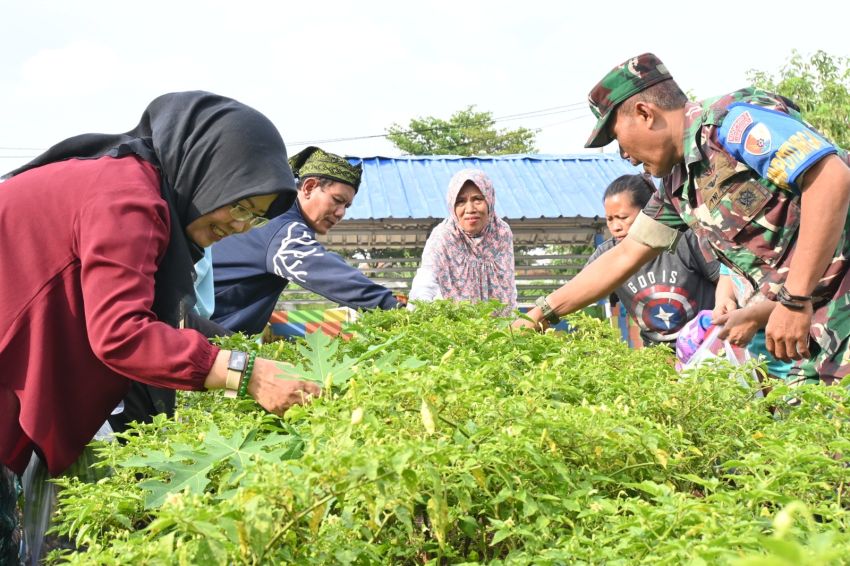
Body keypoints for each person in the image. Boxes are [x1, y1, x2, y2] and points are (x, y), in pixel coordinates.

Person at [0, 91, 322, 483]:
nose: (239, 226)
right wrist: (248, 372)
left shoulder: (135, 184)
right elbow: (122, 334)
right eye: (239, 205)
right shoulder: (127, 199)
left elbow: (163, 315)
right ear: (209, 173)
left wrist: (249, 351)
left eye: (255, 218)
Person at [515, 53, 850, 385]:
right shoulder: (678, 187)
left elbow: (830, 179)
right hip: (816, 331)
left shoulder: (731, 125)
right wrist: (540, 314)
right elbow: (626, 254)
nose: (625, 157)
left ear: (645, 113)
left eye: (619, 140)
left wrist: (794, 299)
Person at [210, 146, 400, 335]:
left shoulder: (275, 216)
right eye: (337, 199)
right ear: (309, 187)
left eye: (346, 206)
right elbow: (326, 271)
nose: (341, 212)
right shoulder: (282, 226)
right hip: (204, 337)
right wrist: (394, 307)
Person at [587, 174, 718, 347]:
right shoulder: (607, 255)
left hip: (708, 347)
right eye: (610, 219)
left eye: (623, 217)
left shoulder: (685, 240)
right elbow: (581, 288)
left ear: (649, 212)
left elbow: (728, 280)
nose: (616, 227)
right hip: (659, 356)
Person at [409, 169, 517, 313]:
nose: (470, 209)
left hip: (498, 327)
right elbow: (425, 281)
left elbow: (508, 284)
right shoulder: (443, 236)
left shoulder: (501, 233)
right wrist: (419, 315)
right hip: (457, 327)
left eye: (477, 199)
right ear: (452, 205)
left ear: (489, 199)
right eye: (460, 201)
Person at [712, 265, 793, 382]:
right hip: (753, 347)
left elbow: (798, 293)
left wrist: (753, 318)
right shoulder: (729, 248)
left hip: (789, 344)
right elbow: (727, 271)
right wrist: (724, 299)